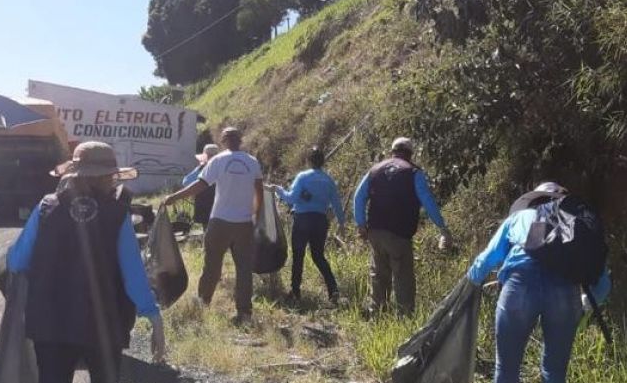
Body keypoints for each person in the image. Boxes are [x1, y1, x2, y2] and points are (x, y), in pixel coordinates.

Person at [8, 141, 165, 383]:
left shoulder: (46, 207)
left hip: (51, 323)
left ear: (75, 173)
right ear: (107, 176)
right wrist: (152, 315)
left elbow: (17, 260)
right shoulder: (117, 214)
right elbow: (132, 272)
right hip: (102, 324)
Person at [466, 182, 611, 383]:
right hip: (565, 293)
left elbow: (486, 260)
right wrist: (583, 305)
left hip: (520, 286)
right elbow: (603, 285)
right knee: (554, 369)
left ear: (535, 199)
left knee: (507, 364)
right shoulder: (578, 227)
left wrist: (470, 282)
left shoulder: (521, 217)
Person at [163, 127, 263, 326]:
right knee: (244, 269)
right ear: (241, 140)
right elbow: (259, 192)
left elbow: (200, 185)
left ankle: (203, 303)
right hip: (244, 223)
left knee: (212, 265)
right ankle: (244, 313)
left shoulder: (218, 160)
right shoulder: (252, 162)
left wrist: (174, 197)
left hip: (220, 221)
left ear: (223, 141)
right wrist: (256, 217)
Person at [353, 137, 452, 315]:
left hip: (375, 231)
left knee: (379, 273)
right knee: (403, 277)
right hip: (399, 234)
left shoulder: (375, 170)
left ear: (392, 151)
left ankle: (377, 313)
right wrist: (442, 228)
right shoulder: (413, 173)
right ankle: (404, 317)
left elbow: (358, 197)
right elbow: (428, 201)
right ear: (410, 153)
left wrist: (361, 225)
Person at [265, 146, 346, 303]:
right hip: (320, 221)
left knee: (298, 256)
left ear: (309, 161)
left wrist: (277, 189)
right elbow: (336, 203)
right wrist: (341, 223)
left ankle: (295, 292)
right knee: (318, 256)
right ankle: (333, 290)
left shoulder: (302, 177)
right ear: (323, 162)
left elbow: (291, 198)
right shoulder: (329, 180)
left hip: (302, 220)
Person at [182, 143, 220, 229]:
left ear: (206, 156)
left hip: (204, 206)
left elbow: (186, 182)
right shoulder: (222, 167)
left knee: (207, 230)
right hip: (219, 207)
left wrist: (199, 168)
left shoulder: (202, 169)